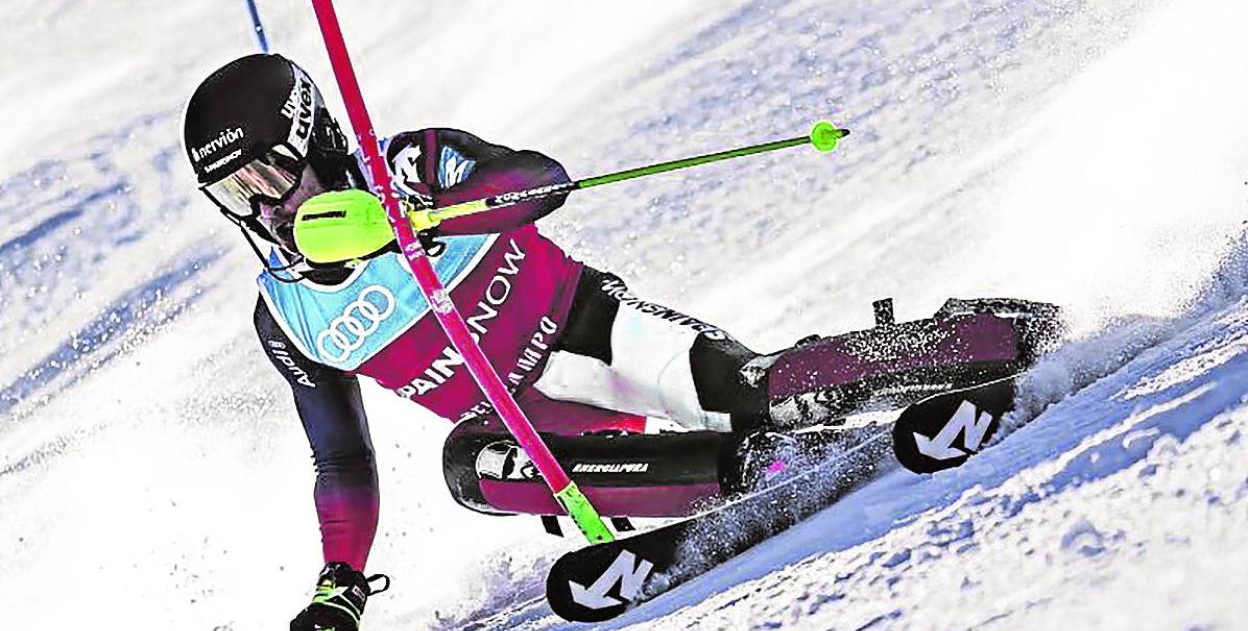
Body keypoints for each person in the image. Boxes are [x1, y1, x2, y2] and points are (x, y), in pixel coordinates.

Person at [183, 53, 1029, 630]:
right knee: (468, 466)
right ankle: (764, 470)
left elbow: (540, 181)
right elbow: (343, 461)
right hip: (541, 435)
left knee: (763, 389)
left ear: (316, 141)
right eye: (236, 192)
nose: (266, 208)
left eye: (268, 174)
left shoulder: (408, 166)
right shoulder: (286, 314)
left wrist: (419, 218)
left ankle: (977, 340)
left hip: (596, 332)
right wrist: (340, 586)